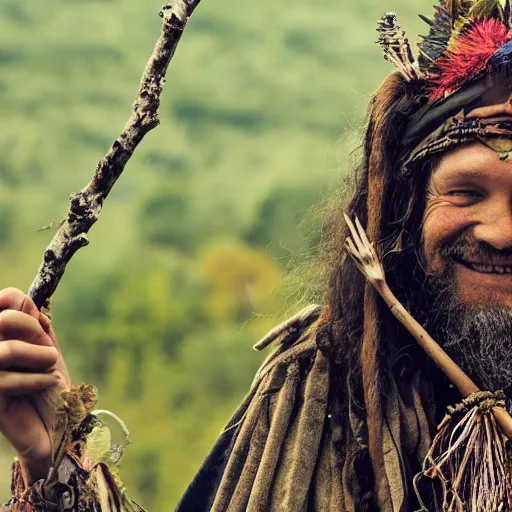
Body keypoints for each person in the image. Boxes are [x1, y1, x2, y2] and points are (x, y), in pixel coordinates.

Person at [3, 0, 512, 510]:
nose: (501, 233)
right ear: (405, 208)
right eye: (466, 192)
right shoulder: (314, 402)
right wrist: (56, 461)